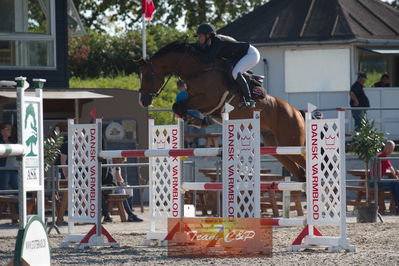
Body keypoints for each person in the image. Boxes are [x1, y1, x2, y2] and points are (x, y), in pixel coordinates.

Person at [191, 23, 260, 108]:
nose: (199, 38)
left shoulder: (217, 41)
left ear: (208, 35)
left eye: (200, 36)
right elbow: (203, 50)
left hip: (251, 54)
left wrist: (194, 51)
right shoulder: (210, 44)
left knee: (235, 73)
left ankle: (249, 99)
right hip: (241, 55)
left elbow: (208, 58)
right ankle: (241, 96)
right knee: (231, 69)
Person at [102, 158, 143, 222]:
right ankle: (130, 214)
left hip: (116, 185)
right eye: (120, 161)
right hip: (110, 185)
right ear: (116, 159)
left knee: (129, 189)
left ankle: (130, 211)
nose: (121, 163)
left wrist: (121, 181)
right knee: (122, 191)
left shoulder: (117, 166)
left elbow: (119, 179)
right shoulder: (108, 163)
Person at [375, 140, 399, 214]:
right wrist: (396, 176)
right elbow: (392, 170)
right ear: (387, 148)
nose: (391, 151)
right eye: (391, 149)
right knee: (396, 183)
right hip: (376, 182)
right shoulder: (383, 157)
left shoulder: (379, 155)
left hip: (373, 180)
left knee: (394, 183)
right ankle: (397, 205)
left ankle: (396, 205)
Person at [0, 123, 18, 191]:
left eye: (10, 129)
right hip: (4, 169)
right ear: (2, 131)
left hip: (13, 169)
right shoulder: (1, 142)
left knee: (17, 189)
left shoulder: (12, 141)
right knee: (3, 189)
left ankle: (18, 201)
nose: (10, 131)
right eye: (8, 129)